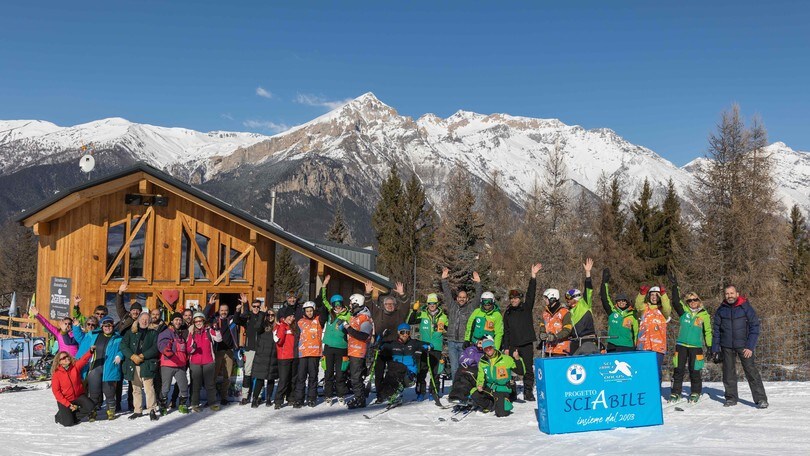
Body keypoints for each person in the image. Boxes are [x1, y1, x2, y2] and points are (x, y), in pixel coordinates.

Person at [711, 284, 768, 409]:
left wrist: (750, 346)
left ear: (737, 294)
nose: (729, 296)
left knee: (751, 372)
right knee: (728, 373)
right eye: (727, 294)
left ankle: (761, 399)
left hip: (744, 346)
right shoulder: (721, 310)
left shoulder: (745, 307)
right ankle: (731, 398)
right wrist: (715, 348)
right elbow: (716, 331)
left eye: (731, 293)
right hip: (726, 346)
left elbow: (754, 327)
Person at [668, 272, 712, 403]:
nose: (693, 302)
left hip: (696, 347)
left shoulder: (704, 315)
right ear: (687, 302)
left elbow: (708, 332)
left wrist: (710, 347)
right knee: (678, 370)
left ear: (699, 301)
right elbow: (675, 301)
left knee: (695, 371)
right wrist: (675, 286)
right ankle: (676, 393)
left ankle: (695, 392)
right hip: (681, 345)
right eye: (690, 300)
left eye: (695, 300)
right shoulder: (683, 312)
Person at [363, 279, 409, 403]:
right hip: (381, 346)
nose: (389, 305)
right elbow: (368, 305)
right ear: (383, 305)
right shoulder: (378, 313)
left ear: (395, 305)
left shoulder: (400, 314)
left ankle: (391, 393)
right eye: (387, 304)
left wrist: (402, 294)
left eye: (392, 304)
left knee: (393, 373)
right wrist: (367, 293)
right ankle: (379, 395)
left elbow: (406, 305)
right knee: (379, 373)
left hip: (395, 346)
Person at [502, 263, 541, 402]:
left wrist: (533, 276)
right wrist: (506, 347)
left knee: (528, 369)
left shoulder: (526, 308)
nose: (513, 300)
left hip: (526, 344)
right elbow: (506, 331)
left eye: (516, 298)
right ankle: (511, 391)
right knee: (512, 369)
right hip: (513, 345)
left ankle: (528, 391)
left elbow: (531, 293)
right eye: (512, 298)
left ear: (520, 299)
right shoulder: (507, 313)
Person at [74, 315, 123, 421]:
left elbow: (123, 349)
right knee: (94, 392)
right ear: (101, 326)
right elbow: (80, 339)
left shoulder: (118, 338)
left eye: (110, 325)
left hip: (109, 368)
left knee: (109, 392)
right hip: (95, 367)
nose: (107, 327)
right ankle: (93, 412)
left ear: (113, 326)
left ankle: (111, 411)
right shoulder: (94, 335)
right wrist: (77, 326)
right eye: (105, 325)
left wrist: (120, 355)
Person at [408, 293, 448, 405]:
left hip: (437, 347)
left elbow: (448, 328)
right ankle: (421, 392)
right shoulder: (422, 314)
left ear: (437, 304)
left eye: (434, 303)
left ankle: (433, 392)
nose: (432, 305)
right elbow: (410, 321)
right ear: (427, 304)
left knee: (436, 372)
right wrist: (414, 311)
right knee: (422, 371)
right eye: (430, 303)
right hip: (424, 346)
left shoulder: (443, 316)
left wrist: (445, 329)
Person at [441, 268, 482, 380]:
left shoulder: (470, 308)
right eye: (460, 297)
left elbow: (478, 297)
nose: (462, 299)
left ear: (467, 298)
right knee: (454, 368)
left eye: (464, 297)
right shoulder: (452, 306)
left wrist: (478, 283)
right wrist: (444, 279)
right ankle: (455, 388)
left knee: (463, 367)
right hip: (452, 342)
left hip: (464, 343)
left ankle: (463, 388)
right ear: (457, 298)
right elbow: (447, 294)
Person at [470, 339, 525, 417]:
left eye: (490, 347)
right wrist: (480, 384)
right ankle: (490, 405)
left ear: (493, 347)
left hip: (502, 389)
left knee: (501, 413)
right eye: (486, 348)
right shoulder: (482, 361)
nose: (488, 350)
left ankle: (504, 402)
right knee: (474, 393)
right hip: (490, 387)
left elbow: (521, 372)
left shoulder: (506, 359)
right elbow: (481, 376)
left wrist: (518, 359)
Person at [121, 311, 160, 421]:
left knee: (149, 388)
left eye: (147, 319)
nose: (144, 321)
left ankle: (151, 409)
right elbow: (123, 345)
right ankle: (137, 410)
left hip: (147, 364)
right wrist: (132, 356)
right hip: (133, 364)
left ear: (150, 321)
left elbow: (155, 348)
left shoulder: (153, 333)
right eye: (142, 319)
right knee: (136, 388)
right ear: (138, 320)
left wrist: (143, 355)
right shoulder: (131, 332)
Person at [320, 275, 351, 405]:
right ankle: (328, 396)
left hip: (342, 348)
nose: (337, 307)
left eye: (339, 305)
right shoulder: (330, 313)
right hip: (328, 347)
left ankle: (341, 395)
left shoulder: (348, 315)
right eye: (335, 305)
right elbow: (323, 299)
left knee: (340, 374)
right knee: (328, 373)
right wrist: (324, 286)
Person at [376, 323, 425, 404]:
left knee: (397, 366)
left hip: (409, 375)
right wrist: (381, 336)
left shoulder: (413, 343)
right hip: (396, 373)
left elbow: (428, 344)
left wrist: (428, 346)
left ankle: (394, 394)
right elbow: (378, 345)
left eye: (407, 332)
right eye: (403, 332)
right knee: (391, 370)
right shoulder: (392, 344)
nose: (405, 335)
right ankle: (386, 394)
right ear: (398, 333)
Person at [233, 294, 266, 405]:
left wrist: (264, 314)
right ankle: (245, 396)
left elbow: (261, 327)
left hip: (261, 349)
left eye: (258, 306)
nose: (256, 308)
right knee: (248, 373)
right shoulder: (248, 317)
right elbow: (236, 320)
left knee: (260, 373)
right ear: (252, 307)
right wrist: (240, 308)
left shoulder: (263, 316)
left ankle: (259, 395)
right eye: (254, 306)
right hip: (250, 349)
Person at [187, 311, 223, 412]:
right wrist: (193, 348)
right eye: (196, 321)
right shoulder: (192, 332)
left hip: (209, 361)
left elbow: (219, 339)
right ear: (194, 322)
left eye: (200, 321)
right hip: (195, 362)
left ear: (204, 321)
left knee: (210, 384)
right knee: (196, 384)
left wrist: (217, 329)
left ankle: (212, 403)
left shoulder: (209, 331)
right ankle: (195, 403)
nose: (198, 323)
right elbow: (188, 349)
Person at [294, 300, 327, 407]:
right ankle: (299, 399)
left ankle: (311, 398)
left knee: (313, 377)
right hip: (303, 353)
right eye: (307, 311)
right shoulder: (300, 322)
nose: (309, 313)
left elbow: (324, 311)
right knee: (301, 377)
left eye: (311, 311)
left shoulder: (319, 320)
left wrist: (323, 289)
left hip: (314, 353)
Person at [51, 348, 96, 426]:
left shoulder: (75, 367)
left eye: (67, 356)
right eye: (63, 358)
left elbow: (83, 360)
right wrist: (68, 405)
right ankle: (59, 416)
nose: (67, 358)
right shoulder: (56, 374)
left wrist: (90, 351)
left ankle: (72, 416)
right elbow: (56, 392)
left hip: (78, 396)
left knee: (90, 406)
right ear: (59, 362)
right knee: (68, 423)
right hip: (65, 399)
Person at [635, 284, 672, 380]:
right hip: (643, 346)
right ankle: (645, 391)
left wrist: (663, 294)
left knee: (656, 371)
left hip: (658, 347)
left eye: (656, 295)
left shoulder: (663, 311)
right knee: (643, 370)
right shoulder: (644, 309)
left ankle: (656, 392)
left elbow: (667, 307)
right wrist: (642, 293)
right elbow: (638, 305)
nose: (654, 297)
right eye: (652, 295)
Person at [344, 294, 374, 409]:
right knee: (354, 376)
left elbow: (363, 336)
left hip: (359, 351)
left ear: (357, 304)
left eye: (351, 304)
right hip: (353, 350)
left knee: (356, 377)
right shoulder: (354, 317)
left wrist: (348, 328)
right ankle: (359, 396)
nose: (350, 306)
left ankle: (360, 399)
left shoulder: (364, 318)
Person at [157, 312, 190, 414]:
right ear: (172, 321)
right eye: (176, 319)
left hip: (180, 365)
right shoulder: (167, 332)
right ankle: (162, 406)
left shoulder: (179, 334)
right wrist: (166, 349)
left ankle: (182, 405)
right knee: (166, 387)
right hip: (168, 364)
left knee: (184, 386)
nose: (178, 321)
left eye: (180, 320)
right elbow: (162, 343)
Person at [599, 268, 638, 352]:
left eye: (623, 301)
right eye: (619, 301)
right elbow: (604, 298)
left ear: (627, 302)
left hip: (627, 346)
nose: (621, 302)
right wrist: (604, 282)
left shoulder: (633, 314)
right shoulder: (612, 311)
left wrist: (636, 345)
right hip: (612, 345)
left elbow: (636, 332)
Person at [566, 258, 598, 355]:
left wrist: (587, 273)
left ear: (576, 298)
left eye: (569, 297)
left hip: (587, 339)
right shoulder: (568, 311)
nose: (567, 300)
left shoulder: (584, 304)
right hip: (575, 340)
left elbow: (588, 290)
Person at [211, 300, 239, 406]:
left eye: (225, 310)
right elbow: (203, 316)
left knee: (227, 376)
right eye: (222, 310)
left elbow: (240, 316)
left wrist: (238, 310)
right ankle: (212, 397)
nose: (224, 312)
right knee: (214, 375)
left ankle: (224, 397)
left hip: (229, 351)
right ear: (219, 311)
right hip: (218, 351)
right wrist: (210, 304)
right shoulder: (214, 320)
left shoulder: (231, 320)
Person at [251, 310, 279, 408]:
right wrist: (262, 314)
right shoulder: (262, 325)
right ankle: (254, 399)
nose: (270, 316)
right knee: (260, 378)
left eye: (272, 315)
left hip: (273, 355)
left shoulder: (277, 326)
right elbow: (257, 328)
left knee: (271, 378)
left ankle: (268, 398)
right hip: (262, 355)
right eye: (268, 315)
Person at [448, 338, 484, 404]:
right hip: (466, 366)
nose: (481, 346)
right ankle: (454, 394)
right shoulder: (469, 349)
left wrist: (475, 362)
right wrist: (470, 361)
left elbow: (481, 363)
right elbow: (462, 358)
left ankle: (463, 395)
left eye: (483, 344)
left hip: (476, 369)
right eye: (480, 343)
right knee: (459, 375)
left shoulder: (485, 353)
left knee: (467, 379)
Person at [538, 289, 573, 356]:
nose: (545, 300)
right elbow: (542, 326)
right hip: (548, 349)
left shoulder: (564, 312)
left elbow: (567, 330)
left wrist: (555, 336)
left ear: (552, 299)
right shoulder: (545, 313)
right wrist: (542, 333)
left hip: (561, 350)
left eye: (546, 298)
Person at [273, 307, 296, 409]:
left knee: (292, 379)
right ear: (284, 317)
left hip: (293, 356)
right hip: (283, 357)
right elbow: (279, 341)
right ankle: (278, 400)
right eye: (289, 316)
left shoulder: (293, 326)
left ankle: (290, 398)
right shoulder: (281, 326)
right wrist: (282, 326)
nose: (291, 318)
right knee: (283, 379)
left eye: (292, 316)